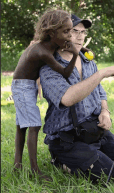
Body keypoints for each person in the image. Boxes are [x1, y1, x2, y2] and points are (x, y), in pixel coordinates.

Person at [39, 14, 114, 182]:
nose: (80, 36)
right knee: (109, 175)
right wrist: (103, 73)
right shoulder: (49, 67)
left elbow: (99, 90)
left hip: (93, 130)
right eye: (74, 31)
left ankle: (95, 154)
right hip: (67, 138)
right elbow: (67, 98)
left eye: (83, 32)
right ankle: (60, 161)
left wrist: (105, 111)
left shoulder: (88, 61)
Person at [11, 9, 80, 180]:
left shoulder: (48, 45)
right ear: (51, 33)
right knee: (33, 126)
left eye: (71, 30)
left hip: (23, 85)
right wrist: (75, 55)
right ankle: (35, 171)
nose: (70, 35)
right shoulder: (42, 52)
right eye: (66, 31)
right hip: (22, 87)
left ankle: (17, 164)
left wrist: (70, 46)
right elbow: (65, 73)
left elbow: (60, 47)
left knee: (22, 125)